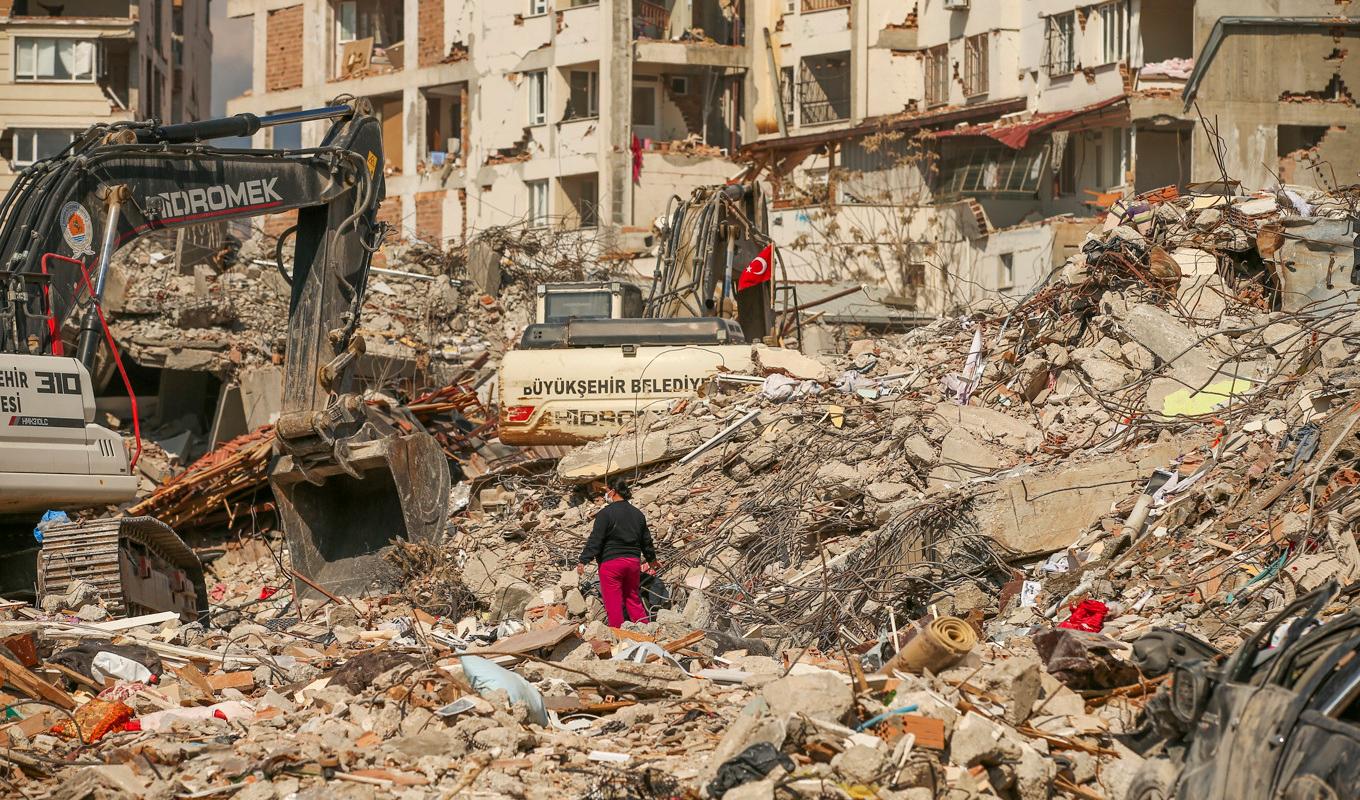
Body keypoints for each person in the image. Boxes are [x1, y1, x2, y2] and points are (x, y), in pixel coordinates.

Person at [577, 478, 659, 627]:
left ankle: (617, 636)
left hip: (611, 564)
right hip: (632, 563)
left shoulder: (605, 514)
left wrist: (584, 559)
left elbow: (596, 539)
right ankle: (645, 629)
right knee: (633, 599)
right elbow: (646, 541)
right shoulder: (638, 514)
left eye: (607, 491)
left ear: (613, 492)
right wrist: (652, 560)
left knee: (613, 603)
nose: (605, 495)